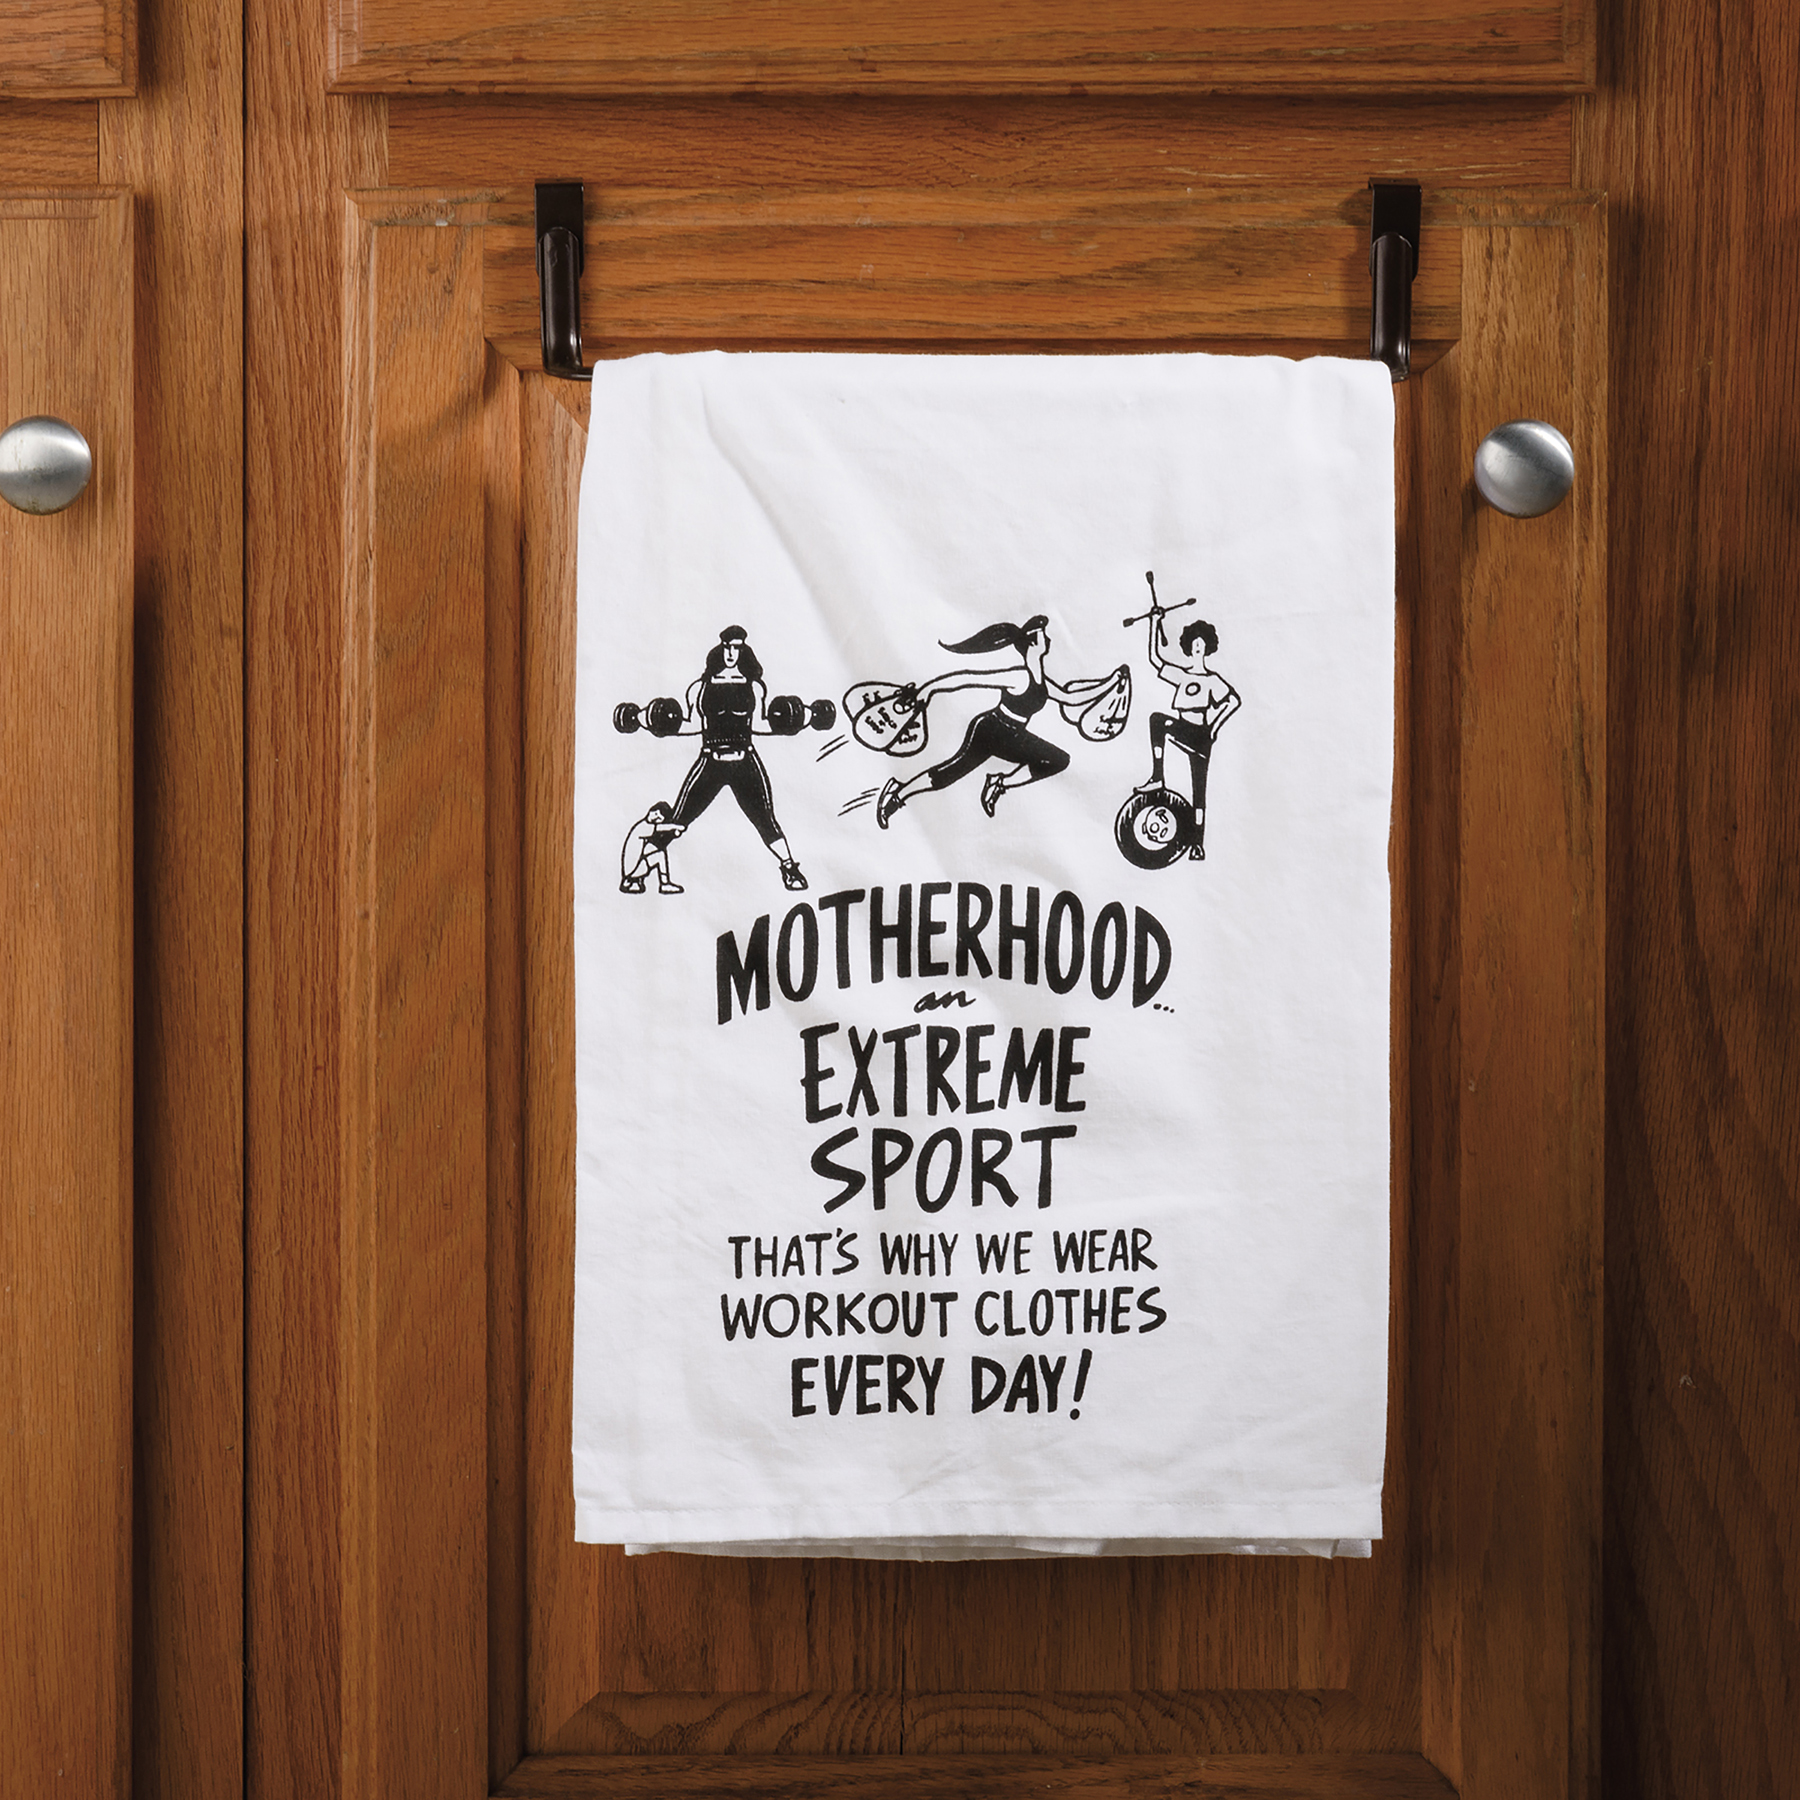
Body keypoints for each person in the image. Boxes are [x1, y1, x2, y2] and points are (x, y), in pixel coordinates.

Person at [876, 615, 1097, 828]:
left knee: (1058, 760)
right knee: (949, 773)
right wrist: (929, 688)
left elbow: (1071, 699)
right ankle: (898, 793)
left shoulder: (1042, 683)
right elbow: (968, 677)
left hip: (1015, 735)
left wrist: (1110, 684)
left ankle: (999, 783)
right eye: (1042, 635)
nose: (1047, 639)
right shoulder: (1019, 676)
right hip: (990, 730)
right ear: (1031, 642)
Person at [669, 625, 808, 890]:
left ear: (743, 650)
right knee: (678, 820)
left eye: (737, 647)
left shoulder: (754, 687)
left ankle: (790, 869)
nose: (732, 653)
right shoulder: (699, 687)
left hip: (745, 762)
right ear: (720, 648)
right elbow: (691, 725)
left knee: (766, 821)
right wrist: (654, 722)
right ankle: (637, 871)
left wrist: (796, 721)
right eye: (728, 647)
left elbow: (762, 725)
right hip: (711, 762)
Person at [1139, 611, 1241, 859]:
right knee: (1157, 721)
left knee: (1199, 793)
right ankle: (1158, 776)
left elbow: (1233, 701)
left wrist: (1214, 727)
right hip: (1183, 729)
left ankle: (1197, 844)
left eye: (1201, 643)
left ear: (1207, 648)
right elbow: (1155, 659)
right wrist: (1154, 623)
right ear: (1188, 646)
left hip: (1201, 736)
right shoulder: (1182, 676)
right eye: (1194, 642)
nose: (1197, 646)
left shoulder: (1212, 680)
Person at [618, 801, 684, 894]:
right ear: (651, 810)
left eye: (659, 818)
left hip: (633, 867)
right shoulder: (643, 826)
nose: (655, 817)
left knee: (653, 848)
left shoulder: (644, 827)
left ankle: (632, 880)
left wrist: (673, 833)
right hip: (632, 870)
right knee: (660, 855)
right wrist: (677, 827)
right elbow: (658, 828)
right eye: (655, 813)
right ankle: (664, 884)